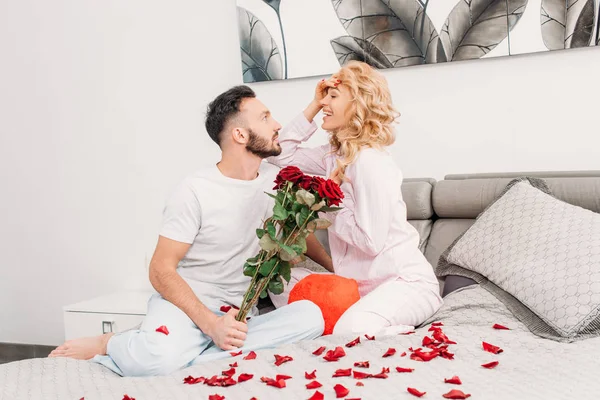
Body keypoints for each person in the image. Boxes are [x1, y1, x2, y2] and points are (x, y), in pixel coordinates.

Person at [48, 86, 327, 377]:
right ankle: (111, 343)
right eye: (265, 117)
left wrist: (334, 269)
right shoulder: (194, 190)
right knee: (154, 360)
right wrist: (210, 324)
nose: (277, 124)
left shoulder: (276, 182)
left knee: (311, 318)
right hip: (187, 308)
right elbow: (160, 269)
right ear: (240, 135)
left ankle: (195, 354)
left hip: (239, 312)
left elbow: (299, 231)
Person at [268, 61, 443, 337]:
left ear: (358, 105)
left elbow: (370, 242)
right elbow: (279, 154)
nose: (325, 102)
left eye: (333, 97)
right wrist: (313, 106)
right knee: (278, 282)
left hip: (405, 284)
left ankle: (397, 330)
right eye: (324, 96)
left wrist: (330, 199)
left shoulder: (370, 161)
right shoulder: (332, 156)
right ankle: (368, 319)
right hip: (359, 288)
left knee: (348, 330)